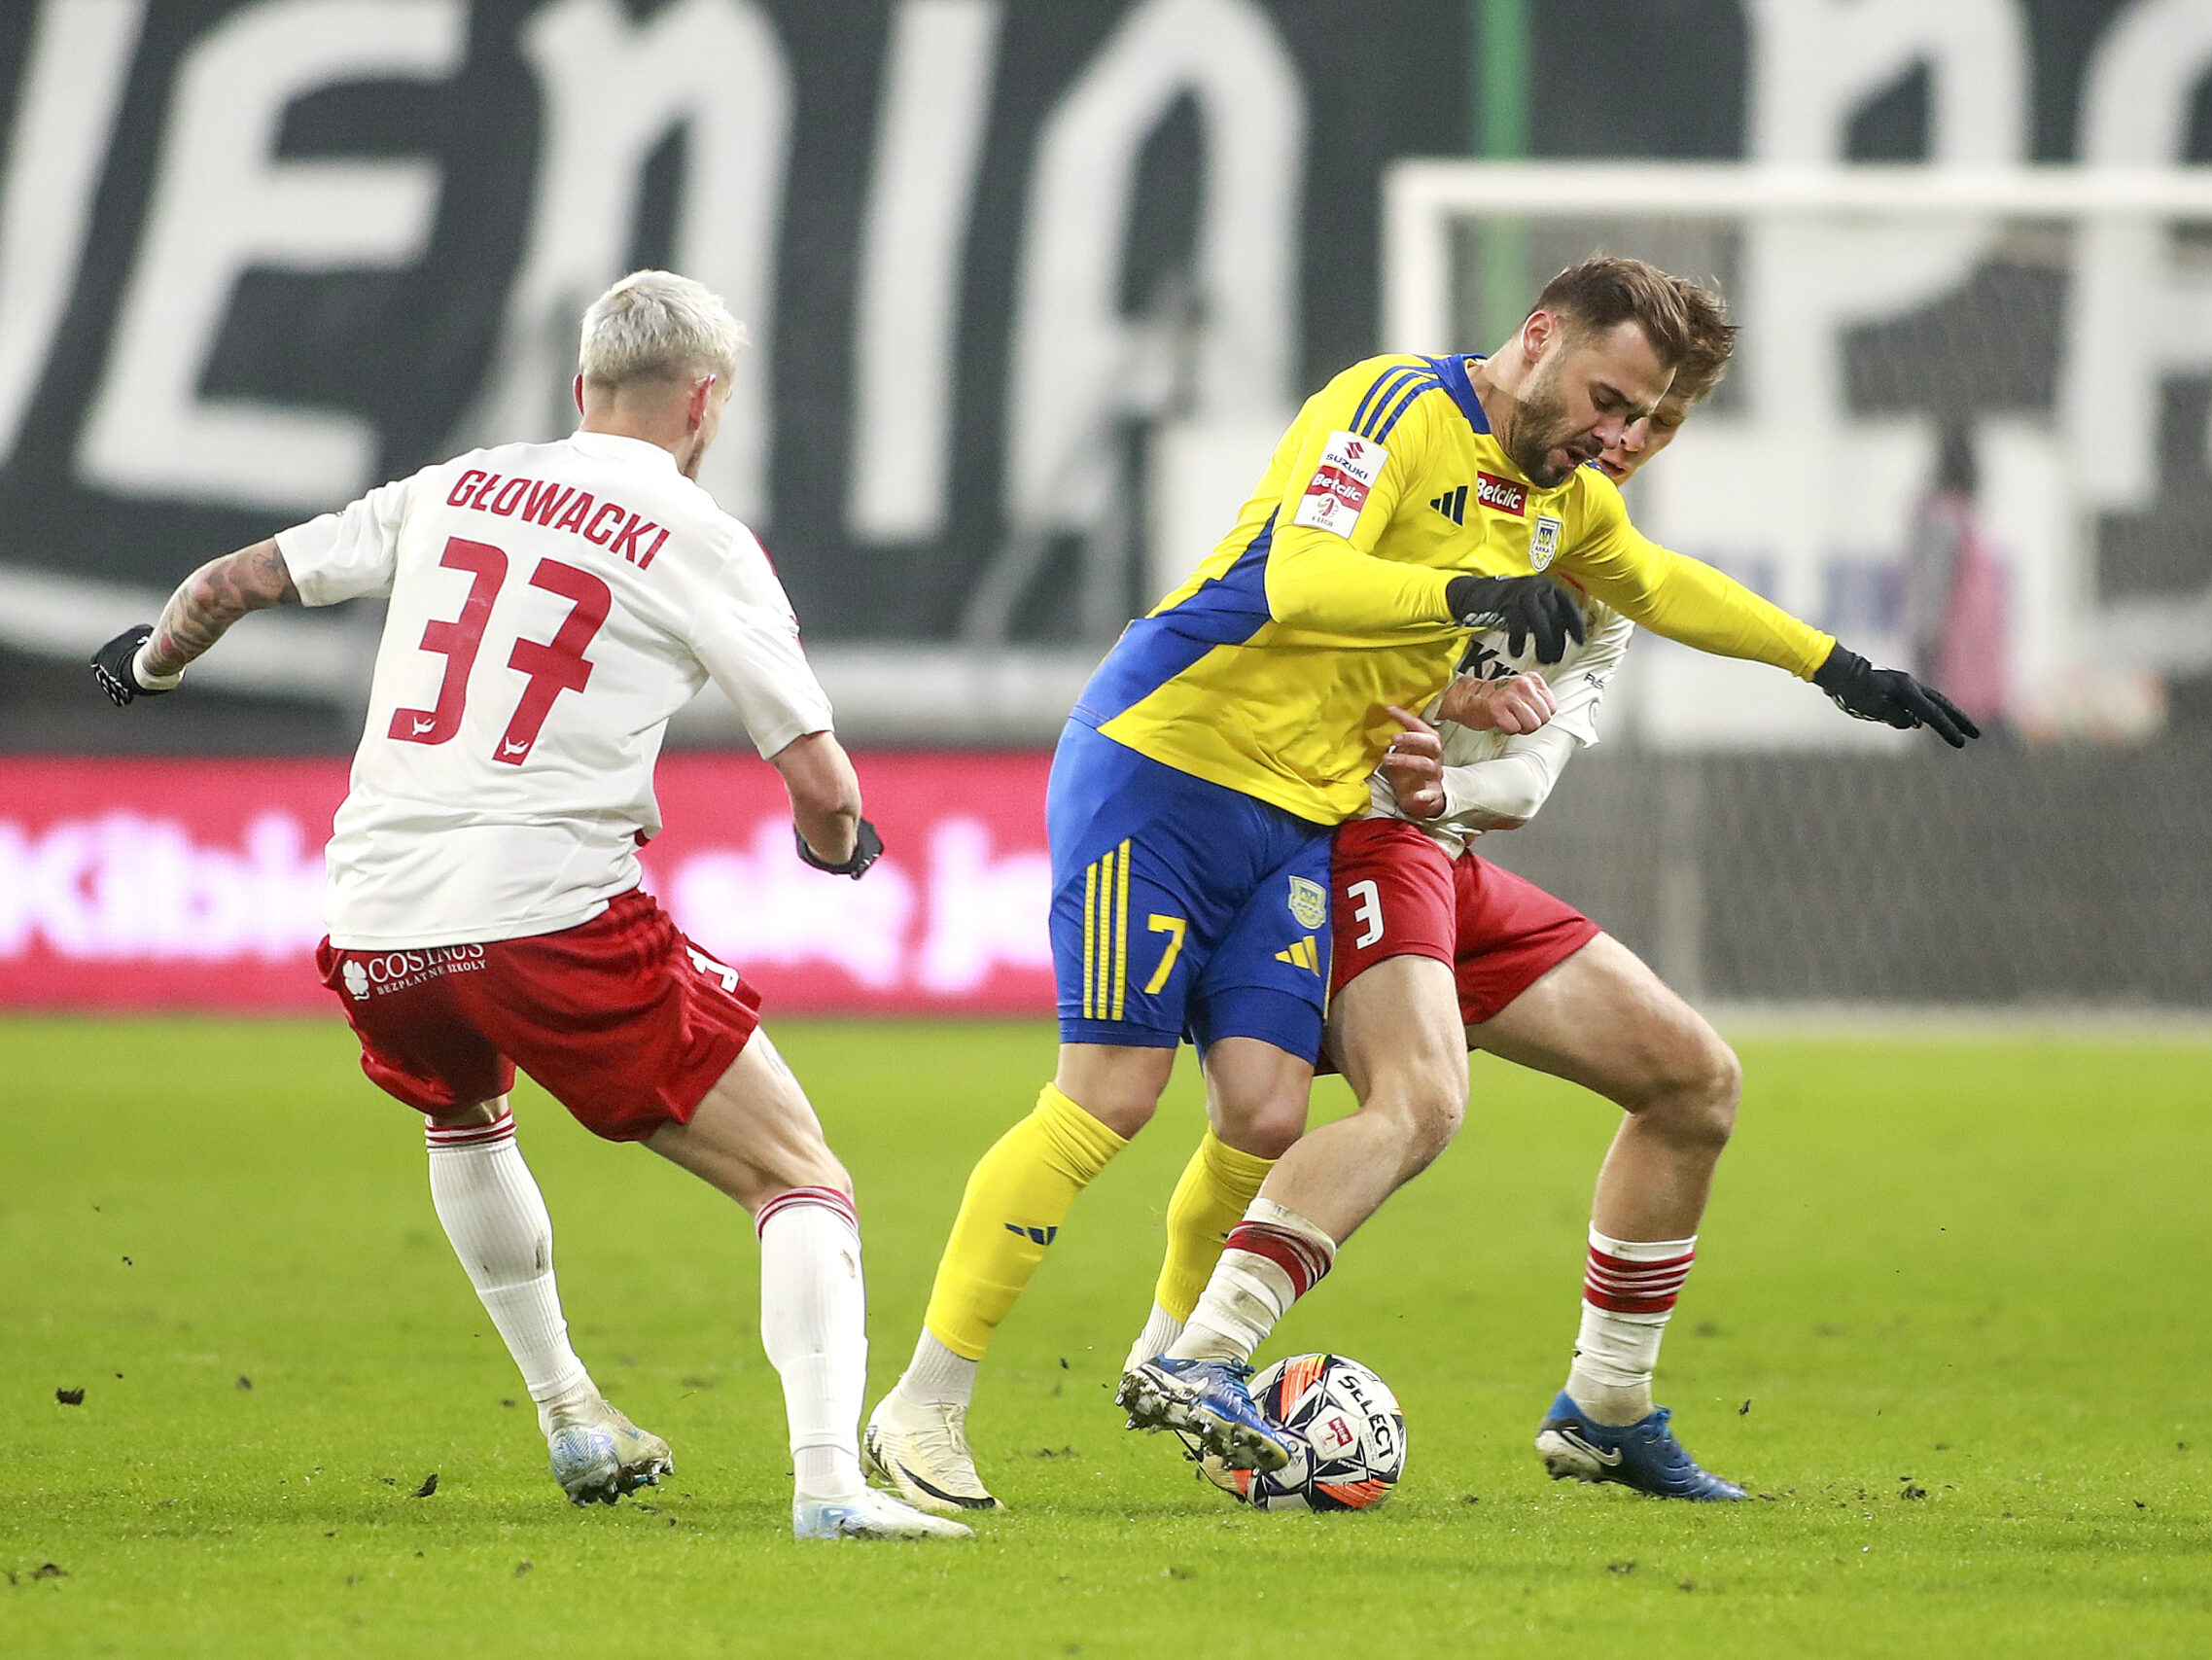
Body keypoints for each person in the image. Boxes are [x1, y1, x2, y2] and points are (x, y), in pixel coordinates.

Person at [863, 255, 1965, 1512]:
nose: (1619, 434)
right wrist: (1473, 595)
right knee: (1112, 1091)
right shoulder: (1393, 404)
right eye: (1610, 397)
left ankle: (1179, 1364)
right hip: (1162, 765)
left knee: (1266, 1113)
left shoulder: (1565, 502)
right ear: (1540, 336)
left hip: (1302, 816)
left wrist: (1835, 665)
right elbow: (1300, 577)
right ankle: (923, 1406)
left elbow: (1667, 588)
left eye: (1645, 419)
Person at [88, 270, 968, 1541]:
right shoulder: (696, 533)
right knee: (801, 1177)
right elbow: (820, 779)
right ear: (706, 403)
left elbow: (233, 580)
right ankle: (832, 1484)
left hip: (379, 912)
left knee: (462, 1111)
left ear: (580, 390)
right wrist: (840, 846)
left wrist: (150, 663)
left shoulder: (453, 485)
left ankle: (571, 1409)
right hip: (544, 912)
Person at [1901, 423, 2010, 731]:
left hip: (1975, 676)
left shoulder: (1959, 518)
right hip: (1958, 675)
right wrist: (1927, 663)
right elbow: (1928, 597)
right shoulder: (1942, 520)